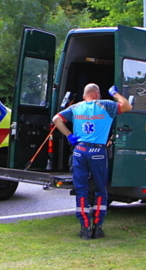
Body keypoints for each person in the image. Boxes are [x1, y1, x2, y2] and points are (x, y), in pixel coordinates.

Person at [53, 83, 131, 239]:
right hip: (98, 152)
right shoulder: (106, 105)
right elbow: (127, 106)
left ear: (84, 96)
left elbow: (56, 119)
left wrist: (69, 135)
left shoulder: (75, 108)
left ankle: (85, 228)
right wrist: (115, 93)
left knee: (81, 190)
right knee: (100, 189)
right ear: (97, 94)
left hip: (79, 151)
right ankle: (98, 227)